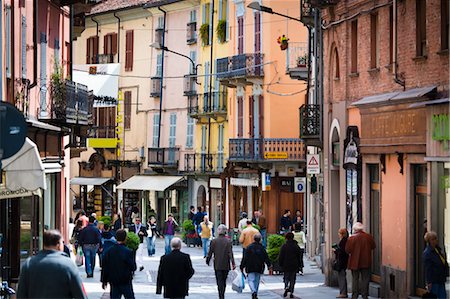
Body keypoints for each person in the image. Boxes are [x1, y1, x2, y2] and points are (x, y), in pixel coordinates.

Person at [16, 230, 87, 299]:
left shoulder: (29, 264)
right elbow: (80, 294)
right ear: (58, 244)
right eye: (62, 242)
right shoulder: (68, 265)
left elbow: (21, 294)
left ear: (43, 244)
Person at [101, 229, 137, 299]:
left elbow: (105, 267)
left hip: (113, 281)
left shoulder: (109, 251)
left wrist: (104, 280)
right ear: (125, 238)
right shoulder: (128, 251)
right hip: (125, 280)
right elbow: (133, 267)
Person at [345, 222, 376, 299]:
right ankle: (364, 295)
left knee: (355, 279)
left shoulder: (351, 238)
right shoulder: (368, 237)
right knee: (365, 279)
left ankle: (355, 296)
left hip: (354, 262)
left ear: (355, 229)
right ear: (362, 229)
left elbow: (347, 250)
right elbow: (373, 246)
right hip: (366, 261)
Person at [206, 224, 236, 299]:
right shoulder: (228, 241)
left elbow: (210, 252)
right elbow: (230, 253)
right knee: (224, 280)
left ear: (218, 231)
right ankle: (222, 292)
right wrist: (233, 263)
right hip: (226, 264)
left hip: (217, 264)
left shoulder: (214, 241)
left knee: (219, 280)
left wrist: (208, 260)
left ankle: (221, 294)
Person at [240, 234, 271, 299]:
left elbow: (245, 258)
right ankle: (255, 292)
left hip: (250, 266)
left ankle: (253, 291)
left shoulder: (249, 247)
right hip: (259, 266)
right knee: (257, 280)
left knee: (251, 280)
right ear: (260, 240)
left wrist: (242, 266)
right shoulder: (262, 248)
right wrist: (269, 265)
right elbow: (266, 257)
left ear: (254, 239)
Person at [423, 231, 448, 299]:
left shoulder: (437, 250)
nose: (435, 240)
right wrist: (429, 282)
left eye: (436, 238)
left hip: (441, 279)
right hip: (434, 281)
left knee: (443, 296)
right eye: (433, 239)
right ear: (429, 241)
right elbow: (428, 269)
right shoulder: (428, 253)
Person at [279, 232, 302, 298]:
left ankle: (286, 287)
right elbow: (299, 256)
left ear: (286, 238)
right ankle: (291, 291)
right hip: (294, 264)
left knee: (286, 277)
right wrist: (300, 265)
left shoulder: (284, 246)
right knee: (292, 279)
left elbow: (281, 256)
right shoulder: (296, 246)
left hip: (286, 264)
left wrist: (280, 263)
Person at [334, 228, 349, 298]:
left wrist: (335, 250)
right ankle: (343, 292)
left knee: (342, 277)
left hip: (342, 262)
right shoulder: (345, 241)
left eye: (339, 233)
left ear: (342, 234)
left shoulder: (343, 241)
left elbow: (342, 252)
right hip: (343, 261)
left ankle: (343, 293)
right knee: (342, 276)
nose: (338, 235)